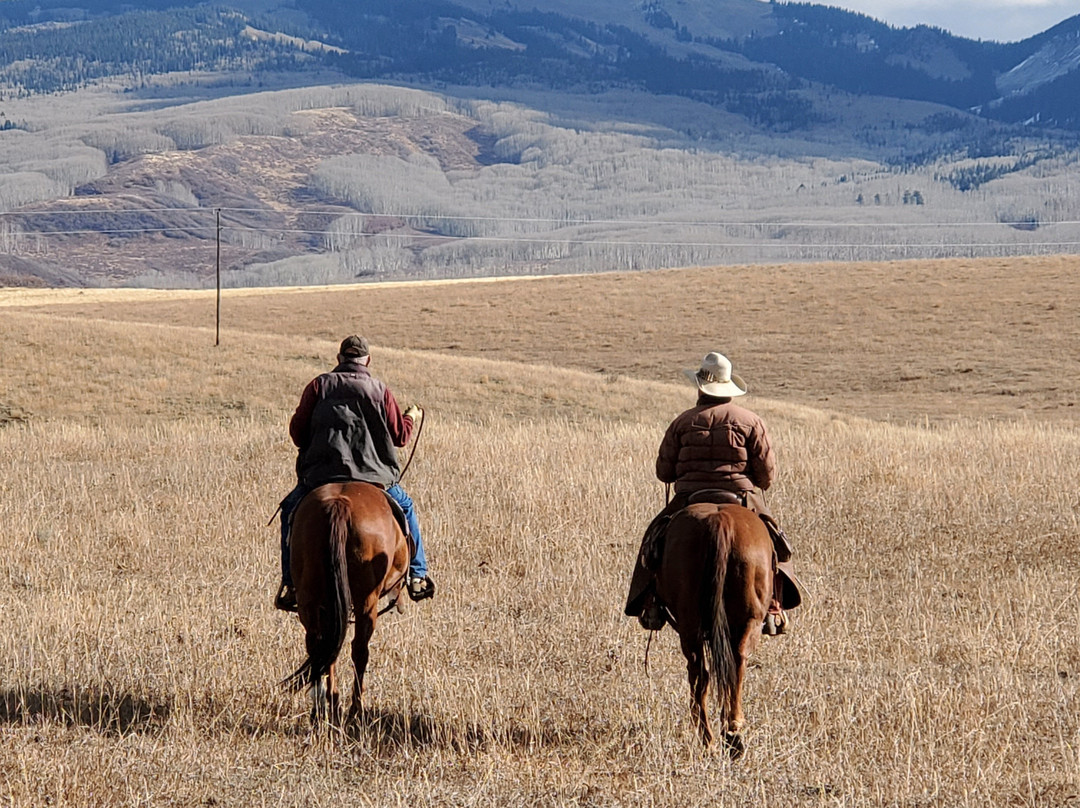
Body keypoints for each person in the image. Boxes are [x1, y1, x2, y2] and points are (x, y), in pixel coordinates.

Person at [624, 351, 802, 635]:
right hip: (740, 496)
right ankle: (773, 606)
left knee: (653, 541)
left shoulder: (682, 422)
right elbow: (767, 476)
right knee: (777, 544)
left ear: (700, 386)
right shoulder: (751, 421)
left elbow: (664, 472)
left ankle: (651, 603)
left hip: (689, 497)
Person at [274, 335, 433, 612]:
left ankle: (291, 583)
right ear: (367, 361)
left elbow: (298, 436)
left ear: (339, 359)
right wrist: (411, 415)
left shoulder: (318, 386)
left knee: (289, 510)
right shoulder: (380, 390)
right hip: (374, 477)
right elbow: (401, 437)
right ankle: (417, 575)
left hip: (321, 477)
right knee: (406, 507)